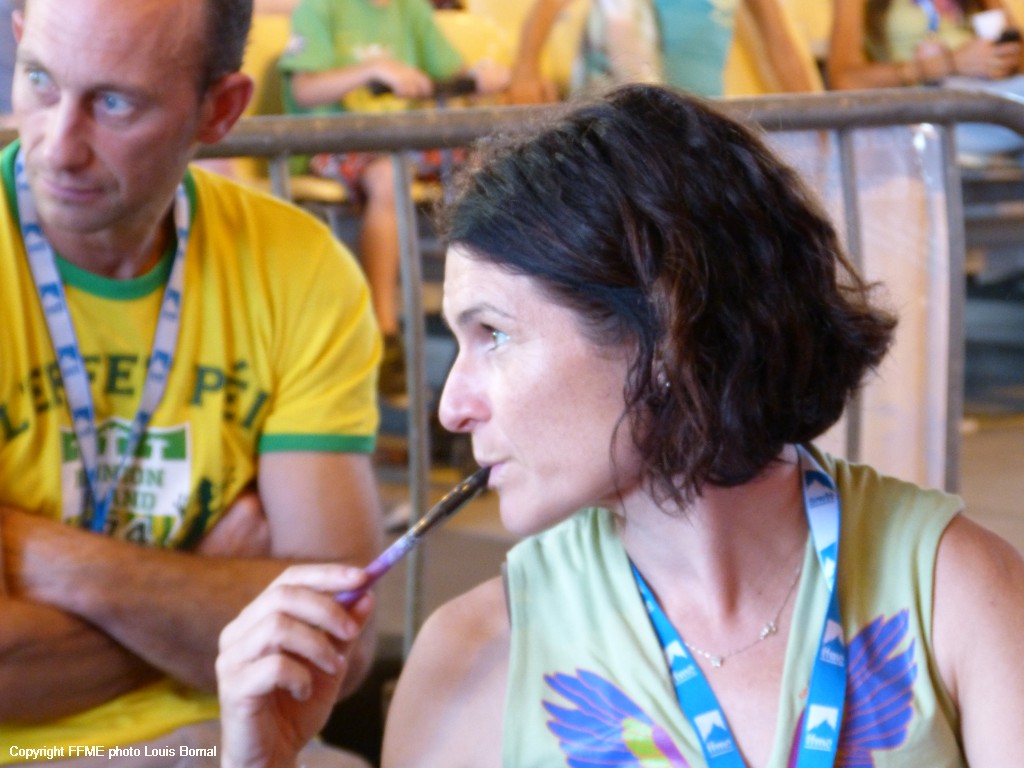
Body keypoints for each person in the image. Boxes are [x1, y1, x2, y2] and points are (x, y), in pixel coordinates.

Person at [216, 83, 1024, 766]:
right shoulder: (472, 658)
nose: (450, 405)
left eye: (493, 333)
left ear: (667, 326)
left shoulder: (955, 591)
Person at [0, 0, 383, 764]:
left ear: (221, 109)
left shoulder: (299, 268)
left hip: (238, 738)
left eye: (115, 103)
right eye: (40, 80)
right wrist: (216, 597)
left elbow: (340, 644)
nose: (59, 146)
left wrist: (57, 561)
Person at [277, 0, 508, 399]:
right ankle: (384, 332)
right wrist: (372, 69)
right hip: (333, 142)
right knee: (388, 176)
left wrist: (479, 75)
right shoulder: (319, 8)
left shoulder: (411, 8)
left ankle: (493, 309)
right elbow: (304, 89)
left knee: (493, 165)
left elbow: (448, 69)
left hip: (404, 142)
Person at [504, 0, 820, 104]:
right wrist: (525, 71)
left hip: (705, 118)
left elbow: (780, 44)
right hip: (632, 123)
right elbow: (547, 8)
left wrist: (818, 122)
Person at [828, 0, 1024, 158]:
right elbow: (844, 80)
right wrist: (941, 65)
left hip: (984, 103)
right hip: (916, 115)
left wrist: (1004, 60)